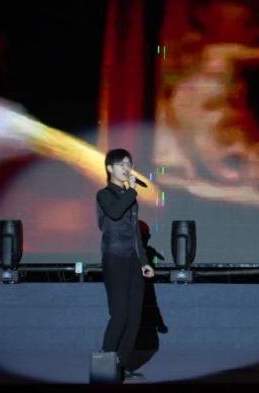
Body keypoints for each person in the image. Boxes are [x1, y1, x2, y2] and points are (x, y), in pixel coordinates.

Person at [98, 148, 155, 380]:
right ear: (110, 168)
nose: (127, 168)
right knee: (120, 315)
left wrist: (144, 261)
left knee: (133, 318)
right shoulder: (104, 195)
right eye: (121, 164)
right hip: (114, 258)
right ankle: (104, 368)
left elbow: (135, 233)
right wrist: (131, 191)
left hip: (133, 260)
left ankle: (121, 368)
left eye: (129, 164)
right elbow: (114, 212)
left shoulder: (129, 197)